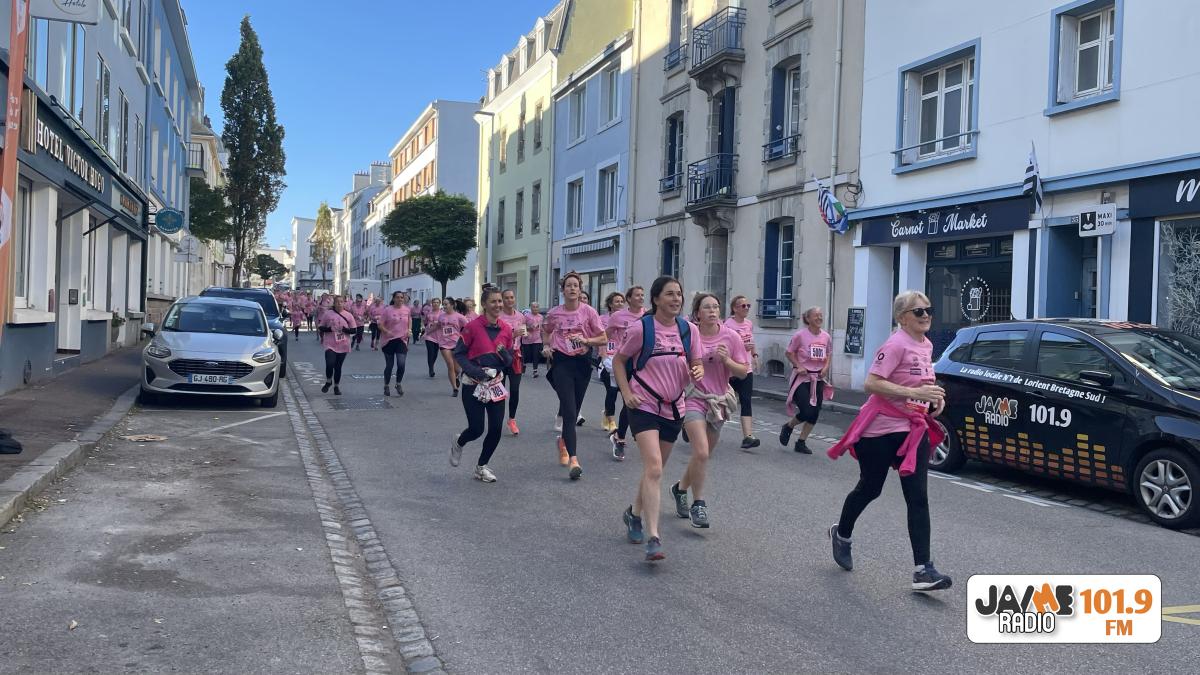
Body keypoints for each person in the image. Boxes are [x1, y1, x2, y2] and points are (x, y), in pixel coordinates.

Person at [826, 291, 952, 592]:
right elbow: (871, 383)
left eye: (929, 310)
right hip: (880, 429)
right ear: (902, 318)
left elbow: (923, 381)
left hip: (912, 429)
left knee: (918, 497)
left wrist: (934, 398)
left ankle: (923, 570)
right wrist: (916, 394)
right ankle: (842, 534)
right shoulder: (895, 344)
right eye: (918, 311)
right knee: (871, 488)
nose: (926, 315)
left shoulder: (926, 344)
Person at [613, 276, 703, 561]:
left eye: (679, 294)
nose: (676, 299)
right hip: (643, 403)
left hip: (674, 407)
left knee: (655, 470)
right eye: (669, 294)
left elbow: (696, 361)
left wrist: (697, 370)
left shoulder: (689, 330)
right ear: (656, 299)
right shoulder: (642, 328)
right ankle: (654, 536)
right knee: (653, 466)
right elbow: (619, 360)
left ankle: (633, 513)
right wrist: (626, 393)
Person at [670, 293, 750, 530]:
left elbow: (743, 372)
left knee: (702, 456)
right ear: (697, 313)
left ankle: (680, 489)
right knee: (701, 452)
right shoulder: (689, 335)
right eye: (707, 307)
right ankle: (699, 504)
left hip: (719, 401)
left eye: (715, 307)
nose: (713, 311)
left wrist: (727, 361)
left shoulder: (731, 336)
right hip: (693, 397)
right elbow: (675, 363)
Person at [542, 272, 607, 479]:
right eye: (568, 285)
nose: (572, 288)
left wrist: (587, 341)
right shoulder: (554, 313)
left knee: (575, 408)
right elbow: (546, 330)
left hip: (582, 363)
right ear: (563, 290)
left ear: (580, 290)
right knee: (570, 412)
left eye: (575, 286)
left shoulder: (589, 312)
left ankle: (563, 442)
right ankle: (574, 460)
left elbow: (603, 338)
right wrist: (546, 345)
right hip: (562, 362)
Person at [449, 287, 514, 483]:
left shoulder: (506, 329)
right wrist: (476, 372)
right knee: (476, 429)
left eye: (500, 301)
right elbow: (459, 354)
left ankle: (481, 467)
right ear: (484, 304)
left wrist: (504, 355)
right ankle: (459, 442)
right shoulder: (472, 327)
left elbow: (509, 360)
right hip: (473, 384)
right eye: (493, 301)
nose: (498, 305)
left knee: (496, 429)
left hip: (495, 384)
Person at [780, 306, 833, 454]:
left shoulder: (826, 336)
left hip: (818, 378)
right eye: (816, 315)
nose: (819, 318)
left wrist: (825, 368)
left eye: (820, 315)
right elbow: (789, 353)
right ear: (808, 318)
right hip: (802, 379)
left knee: (815, 413)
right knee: (807, 411)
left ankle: (801, 442)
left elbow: (829, 353)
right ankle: (789, 426)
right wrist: (799, 365)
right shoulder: (800, 335)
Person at [606, 285, 645, 460]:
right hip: (624, 362)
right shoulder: (618, 316)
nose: (641, 298)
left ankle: (634, 431)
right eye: (637, 295)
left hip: (643, 362)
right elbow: (605, 336)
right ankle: (620, 438)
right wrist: (604, 355)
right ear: (629, 299)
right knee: (628, 401)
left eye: (642, 295)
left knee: (640, 401)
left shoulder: (648, 315)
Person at [724, 296, 762, 449]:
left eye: (748, 305)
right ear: (735, 308)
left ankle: (748, 437)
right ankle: (691, 426)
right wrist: (741, 348)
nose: (746, 308)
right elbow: (725, 347)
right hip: (730, 369)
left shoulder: (749, 324)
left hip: (745, 368)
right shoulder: (728, 325)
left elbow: (750, 342)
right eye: (743, 306)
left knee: (746, 400)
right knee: (719, 400)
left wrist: (755, 355)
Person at [497, 290, 528, 435]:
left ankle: (512, 419)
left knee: (515, 389)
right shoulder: (498, 317)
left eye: (511, 297)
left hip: (516, 355)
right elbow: (495, 337)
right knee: (500, 390)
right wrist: (513, 334)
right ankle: (497, 419)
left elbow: (524, 335)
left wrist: (525, 334)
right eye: (506, 298)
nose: (509, 300)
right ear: (502, 300)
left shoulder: (521, 316)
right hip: (500, 356)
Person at [598, 292, 627, 435]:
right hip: (607, 359)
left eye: (622, 301)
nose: (620, 304)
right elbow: (600, 338)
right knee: (611, 391)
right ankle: (612, 421)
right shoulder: (602, 319)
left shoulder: (627, 319)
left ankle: (607, 413)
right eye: (617, 301)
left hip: (622, 358)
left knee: (624, 393)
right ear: (610, 304)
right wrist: (604, 358)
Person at [318, 296, 356, 395]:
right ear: (334, 303)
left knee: (338, 367)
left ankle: (336, 386)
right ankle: (328, 381)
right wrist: (329, 329)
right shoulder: (328, 314)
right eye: (337, 302)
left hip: (343, 344)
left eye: (341, 302)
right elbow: (321, 327)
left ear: (344, 303)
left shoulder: (348, 315)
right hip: (330, 343)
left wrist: (346, 330)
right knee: (330, 363)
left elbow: (354, 330)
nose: (339, 303)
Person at [379, 291, 412, 396]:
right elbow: (380, 324)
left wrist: (409, 330)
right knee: (389, 365)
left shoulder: (407, 309)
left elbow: (409, 319)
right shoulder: (387, 310)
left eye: (401, 297)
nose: (400, 299)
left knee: (401, 364)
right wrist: (386, 331)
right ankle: (386, 385)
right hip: (389, 340)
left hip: (402, 340)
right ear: (393, 299)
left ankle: (398, 383)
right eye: (397, 297)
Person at [438, 298, 469, 397]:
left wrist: (467, 337)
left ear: (452, 305)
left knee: (457, 369)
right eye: (443, 304)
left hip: (456, 344)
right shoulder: (441, 316)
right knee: (450, 365)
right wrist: (427, 332)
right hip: (444, 344)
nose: (444, 306)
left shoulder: (459, 317)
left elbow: (469, 327)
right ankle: (454, 388)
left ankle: (456, 377)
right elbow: (438, 326)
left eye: (446, 304)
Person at [521, 302, 544, 378]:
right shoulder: (526, 316)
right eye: (533, 307)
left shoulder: (541, 317)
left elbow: (541, 329)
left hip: (537, 339)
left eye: (537, 307)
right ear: (530, 308)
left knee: (536, 354)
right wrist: (529, 328)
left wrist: (543, 339)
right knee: (527, 355)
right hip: (527, 338)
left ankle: (535, 371)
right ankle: (523, 365)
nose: (535, 308)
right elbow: (522, 326)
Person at [423, 298, 443, 378]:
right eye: (434, 302)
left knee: (435, 353)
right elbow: (425, 322)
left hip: (438, 335)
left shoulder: (442, 313)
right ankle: (431, 369)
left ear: (440, 304)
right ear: (432, 303)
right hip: (429, 335)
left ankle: (432, 364)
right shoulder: (429, 313)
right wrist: (425, 328)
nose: (435, 304)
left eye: (437, 302)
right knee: (430, 353)